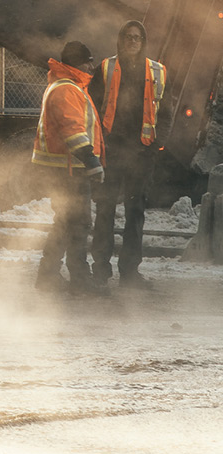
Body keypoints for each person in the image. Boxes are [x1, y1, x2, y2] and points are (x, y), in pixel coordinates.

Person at [87, 21, 166, 289]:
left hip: (141, 152)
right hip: (112, 149)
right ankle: (100, 270)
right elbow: (94, 108)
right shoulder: (106, 68)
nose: (133, 41)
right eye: (128, 37)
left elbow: (161, 110)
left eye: (138, 37)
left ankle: (130, 273)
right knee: (105, 209)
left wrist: (155, 145)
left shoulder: (157, 71)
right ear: (121, 40)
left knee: (135, 212)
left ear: (144, 41)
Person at [31, 40, 106, 294]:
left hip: (67, 168)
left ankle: (50, 275)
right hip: (69, 170)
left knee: (67, 222)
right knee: (76, 222)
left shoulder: (67, 86)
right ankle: (78, 280)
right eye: (89, 60)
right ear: (79, 62)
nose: (93, 66)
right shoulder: (67, 89)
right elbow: (73, 130)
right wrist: (91, 160)